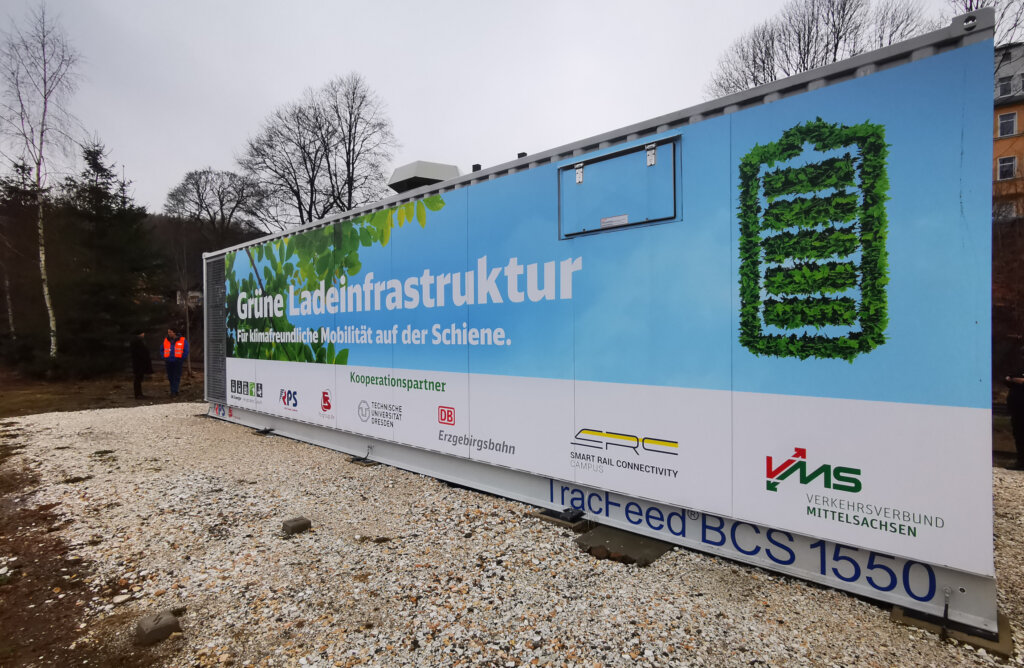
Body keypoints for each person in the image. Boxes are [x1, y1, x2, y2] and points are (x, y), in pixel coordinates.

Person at [1007, 348, 1024, 470]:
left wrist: (1018, 381)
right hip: (1017, 407)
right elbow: (1008, 378)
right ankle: (1021, 460)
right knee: (1018, 433)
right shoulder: (1019, 368)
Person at [162, 326, 189, 397]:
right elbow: (162, 349)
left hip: (178, 361)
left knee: (176, 376)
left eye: (170, 332)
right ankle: (173, 390)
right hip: (169, 361)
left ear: (174, 333)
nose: (169, 333)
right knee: (170, 377)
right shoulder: (166, 340)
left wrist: (181, 358)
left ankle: (174, 391)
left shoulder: (182, 340)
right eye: (168, 332)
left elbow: (186, 350)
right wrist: (164, 357)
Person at [130, 329, 153, 399]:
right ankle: (138, 394)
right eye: (142, 333)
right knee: (138, 379)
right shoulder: (137, 342)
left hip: (139, 363)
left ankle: (139, 393)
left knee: (139, 379)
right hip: (139, 363)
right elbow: (140, 353)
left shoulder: (138, 341)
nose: (144, 334)